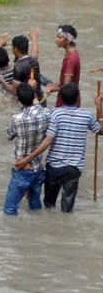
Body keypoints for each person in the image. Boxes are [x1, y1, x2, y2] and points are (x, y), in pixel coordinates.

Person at [14, 82, 102, 213]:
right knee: (67, 208)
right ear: (78, 98)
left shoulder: (55, 114)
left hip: (54, 167)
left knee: (48, 205)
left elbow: (48, 140)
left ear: (60, 99)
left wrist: (27, 159)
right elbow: (100, 130)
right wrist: (99, 107)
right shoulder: (87, 115)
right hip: (74, 168)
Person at [5, 82, 50, 216]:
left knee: (10, 209)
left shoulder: (17, 119)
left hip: (22, 167)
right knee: (35, 206)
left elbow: (9, 135)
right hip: (38, 166)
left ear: (19, 99)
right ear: (34, 96)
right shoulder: (46, 113)